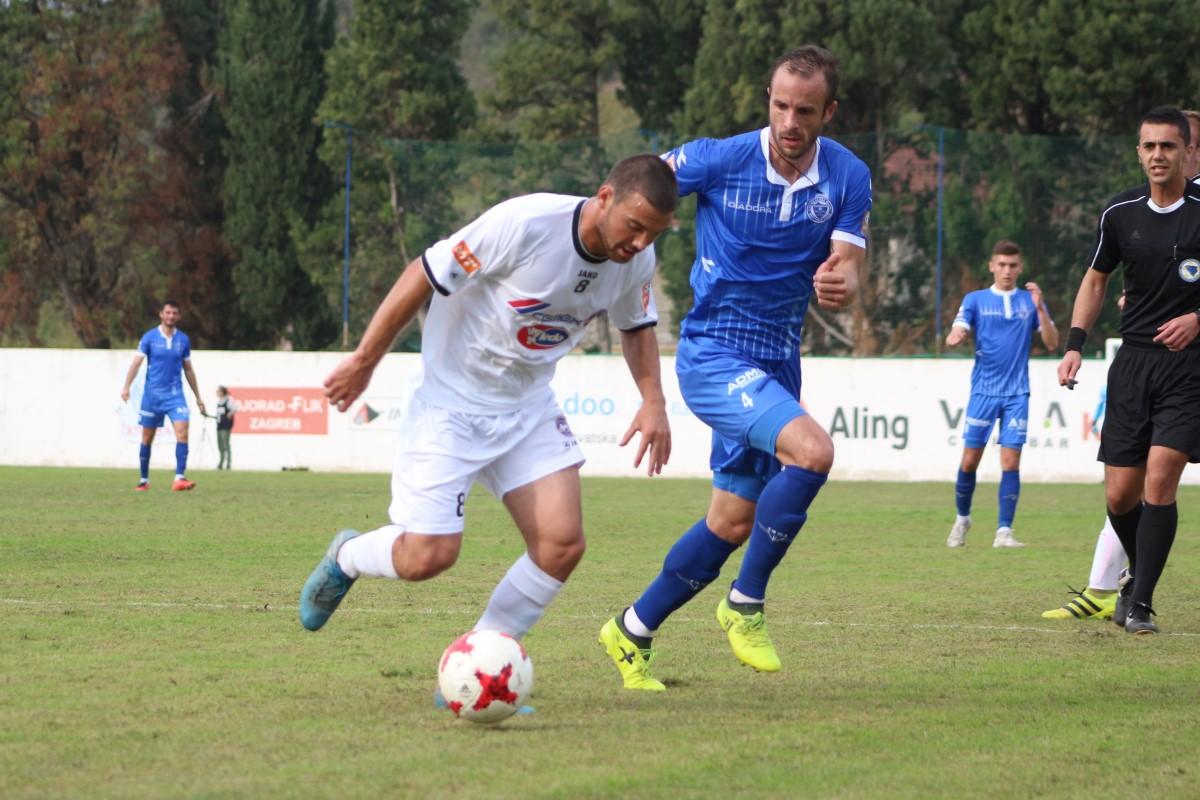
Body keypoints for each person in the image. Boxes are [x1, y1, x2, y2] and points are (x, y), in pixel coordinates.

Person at [298, 156, 677, 674]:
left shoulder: (635, 262)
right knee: (427, 557)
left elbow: (636, 325)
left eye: (652, 235)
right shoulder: (525, 225)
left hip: (527, 406)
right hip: (451, 404)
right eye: (635, 227)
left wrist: (652, 399)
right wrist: (365, 360)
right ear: (605, 197)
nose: (639, 244)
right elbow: (424, 274)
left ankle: (477, 667)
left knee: (561, 544)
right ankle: (349, 556)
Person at [599, 45, 871, 692]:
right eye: (780, 105)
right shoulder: (717, 158)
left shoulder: (847, 175)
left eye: (805, 109)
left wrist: (844, 282)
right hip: (714, 354)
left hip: (778, 361)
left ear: (828, 112)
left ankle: (632, 630)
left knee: (730, 521)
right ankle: (745, 604)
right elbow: (636, 188)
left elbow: (849, 262)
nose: (789, 121)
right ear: (768, 103)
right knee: (813, 452)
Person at [1042, 109, 1200, 621]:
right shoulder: (1119, 213)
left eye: (1168, 147)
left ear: (1186, 152)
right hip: (1132, 366)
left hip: (1188, 368)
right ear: (1138, 152)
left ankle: (1142, 603)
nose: (1158, 156)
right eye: (1149, 146)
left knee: (1159, 480)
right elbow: (1095, 280)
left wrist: (1197, 318)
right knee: (1119, 496)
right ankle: (1138, 574)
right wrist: (1074, 344)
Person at [944, 241, 1059, 549]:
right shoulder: (976, 299)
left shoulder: (1029, 300)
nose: (1007, 271)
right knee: (970, 461)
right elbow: (959, 326)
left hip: (1017, 393)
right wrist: (957, 335)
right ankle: (962, 518)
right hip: (983, 391)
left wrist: (1040, 310)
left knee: (1010, 461)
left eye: (1012, 266)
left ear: (1019, 268)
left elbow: (1051, 342)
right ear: (992, 266)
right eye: (1002, 265)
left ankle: (1004, 531)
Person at [120, 301, 205, 491]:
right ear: (161, 314)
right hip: (152, 397)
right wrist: (126, 386)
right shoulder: (149, 337)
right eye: (168, 312)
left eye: (175, 313)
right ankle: (144, 480)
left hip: (175, 396)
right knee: (147, 438)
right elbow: (136, 363)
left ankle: (179, 478)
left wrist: (198, 397)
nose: (171, 316)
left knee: (183, 432)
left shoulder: (183, 340)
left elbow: (188, 369)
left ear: (179, 316)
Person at [215, 386, 237, 470]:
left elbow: (235, 408)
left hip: (226, 426)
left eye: (218, 391)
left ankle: (228, 463)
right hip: (219, 425)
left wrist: (229, 414)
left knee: (226, 444)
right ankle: (221, 462)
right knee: (220, 445)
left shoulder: (228, 400)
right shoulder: (219, 402)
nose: (217, 393)